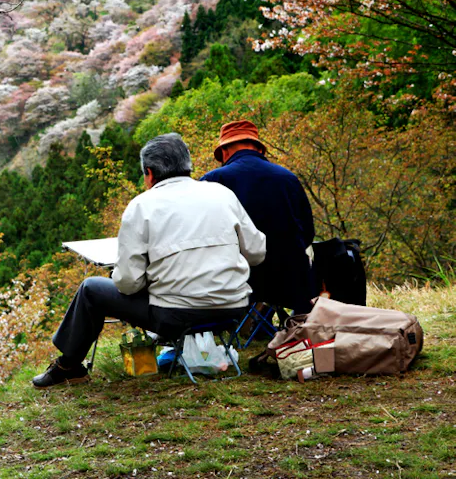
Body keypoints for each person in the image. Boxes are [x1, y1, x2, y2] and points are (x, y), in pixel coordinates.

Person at [32, 133, 266, 388]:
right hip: (233, 308)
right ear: (188, 166)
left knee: (91, 289)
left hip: (175, 317)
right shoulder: (223, 195)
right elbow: (257, 252)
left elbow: (128, 284)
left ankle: (69, 366)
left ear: (150, 172)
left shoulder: (141, 206)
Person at [199, 120, 316, 314]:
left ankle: (254, 320)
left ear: (225, 152)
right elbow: (308, 232)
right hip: (291, 281)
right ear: (259, 149)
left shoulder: (213, 180)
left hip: (237, 282)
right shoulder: (288, 178)